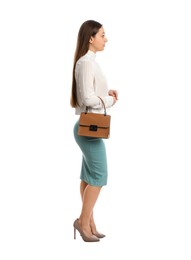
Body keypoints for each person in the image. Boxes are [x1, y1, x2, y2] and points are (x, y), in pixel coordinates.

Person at [70, 20, 118, 242]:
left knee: (89, 177)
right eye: (102, 35)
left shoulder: (89, 62)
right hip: (88, 130)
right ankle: (82, 222)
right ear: (91, 38)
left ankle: (90, 222)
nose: (106, 39)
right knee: (99, 177)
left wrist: (104, 92)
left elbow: (90, 94)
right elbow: (86, 99)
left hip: (88, 128)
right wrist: (109, 99)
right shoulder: (86, 62)